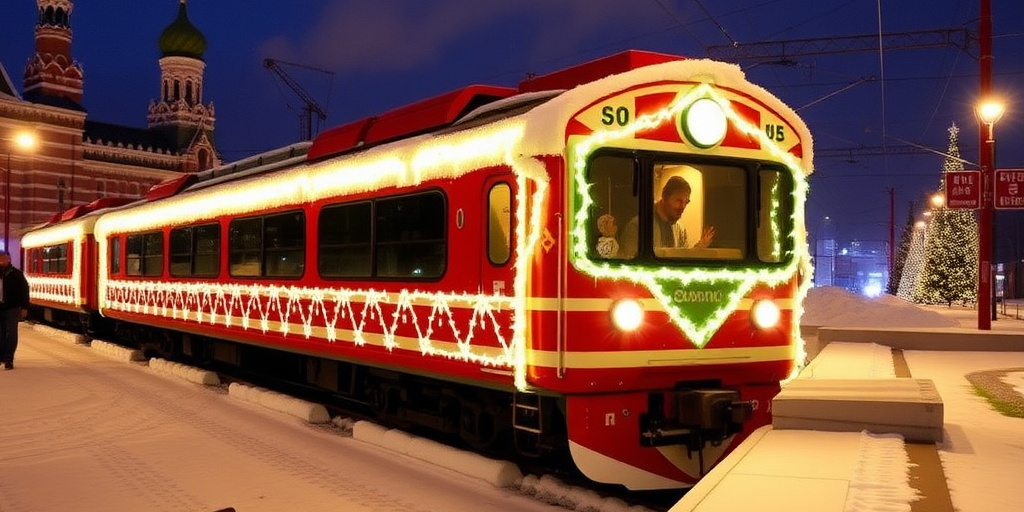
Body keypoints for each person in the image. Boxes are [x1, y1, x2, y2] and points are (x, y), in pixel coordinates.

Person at [618, 175, 714, 257]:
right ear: (664, 196)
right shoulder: (637, 227)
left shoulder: (680, 230)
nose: (683, 207)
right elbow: (628, 266)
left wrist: (698, 249)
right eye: (678, 201)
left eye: (686, 202)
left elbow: (682, 260)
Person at [0, 250, 30, 370]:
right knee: (0, 334)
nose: (1, 261)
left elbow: (24, 290)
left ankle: (9, 359)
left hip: (12, 307)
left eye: (3, 258)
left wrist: (25, 307)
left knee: (11, 333)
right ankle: (1, 356)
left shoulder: (16, 274)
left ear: (9, 259)